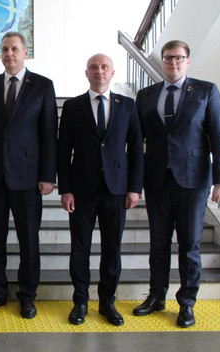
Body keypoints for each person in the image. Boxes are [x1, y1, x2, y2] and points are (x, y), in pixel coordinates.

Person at [134, 40, 220, 328]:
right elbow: (136, 142)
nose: (173, 63)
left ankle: (187, 303)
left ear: (187, 61)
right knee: (158, 243)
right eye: (168, 58)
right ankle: (156, 296)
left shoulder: (205, 91)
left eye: (178, 58)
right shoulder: (146, 95)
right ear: (162, 61)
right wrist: (134, 182)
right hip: (156, 181)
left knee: (189, 245)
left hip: (193, 182)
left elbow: (218, 137)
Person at [0, 32, 58, 319]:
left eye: (14, 49)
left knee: (29, 241)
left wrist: (48, 175)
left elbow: (49, 132)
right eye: (4, 49)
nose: (9, 53)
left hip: (29, 177)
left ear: (25, 52)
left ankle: (27, 295)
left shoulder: (43, 86)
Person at [58, 54, 143, 326]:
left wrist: (134, 188)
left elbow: (136, 150)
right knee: (80, 248)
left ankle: (107, 302)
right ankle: (80, 301)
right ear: (87, 73)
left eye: (104, 67)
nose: (99, 71)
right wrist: (65, 189)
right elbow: (63, 151)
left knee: (112, 249)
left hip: (116, 189)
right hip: (81, 190)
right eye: (93, 67)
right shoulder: (73, 106)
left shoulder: (127, 105)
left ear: (112, 72)